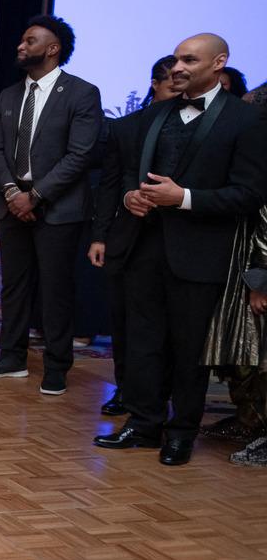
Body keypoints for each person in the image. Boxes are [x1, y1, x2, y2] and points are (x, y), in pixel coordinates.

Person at [94, 34, 267, 466]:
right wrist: (130, 197)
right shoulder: (155, 116)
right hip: (143, 246)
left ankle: (181, 432)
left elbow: (248, 194)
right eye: (176, 60)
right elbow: (133, 177)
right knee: (143, 341)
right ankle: (144, 423)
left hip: (202, 254)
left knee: (189, 350)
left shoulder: (244, 123)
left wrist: (184, 197)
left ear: (219, 64)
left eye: (190, 60)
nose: (178, 67)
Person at [0, 16, 102, 397]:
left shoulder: (81, 93)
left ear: (52, 48)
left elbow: (80, 155)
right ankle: (11, 357)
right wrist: (14, 192)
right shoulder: (11, 95)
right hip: (13, 202)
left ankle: (57, 365)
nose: (20, 45)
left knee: (55, 289)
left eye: (29, 40)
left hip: (58, 208)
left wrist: (37, 195)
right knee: (14, 286)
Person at [89, 57, 179, 416]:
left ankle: (161, 395)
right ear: (155, 84)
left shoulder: (197, 127)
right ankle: (125, 390)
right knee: (124, 321)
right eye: (172, 83)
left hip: (177, 241)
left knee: (170, 326)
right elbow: (109, 184)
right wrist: (99, 235)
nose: (178, 89)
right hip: (127, 237)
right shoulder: (125, 127)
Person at [202, 81, 267, 452]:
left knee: (257, 355)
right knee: (241, 350)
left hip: (256, 273)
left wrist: (261, 281)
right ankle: (248, 419)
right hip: (239, 263)